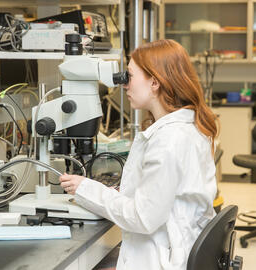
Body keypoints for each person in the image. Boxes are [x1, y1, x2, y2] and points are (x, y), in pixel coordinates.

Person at [59, 39, 218, 270]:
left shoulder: (169, 139)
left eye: (130, 76)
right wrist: (120, 194)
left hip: (161, 259)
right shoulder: (187, 126)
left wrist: (88, 189)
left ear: (155, 82)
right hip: (173, 248)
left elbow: (143, 218)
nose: (124, 85)